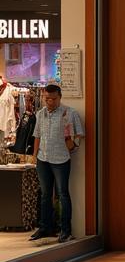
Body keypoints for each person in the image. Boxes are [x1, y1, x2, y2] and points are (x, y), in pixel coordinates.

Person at [30, 83, 85, 244]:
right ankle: (45, 227)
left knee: (63, 194)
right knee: (45, 194)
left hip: (61, 159)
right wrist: (34, 155)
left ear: (60, 97)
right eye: (47, 99)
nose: (50, 102)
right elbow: (37, 135)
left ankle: (66, 230)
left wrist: (72, 145)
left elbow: (80, 134)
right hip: (43, 158)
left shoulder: (69, 113)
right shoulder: (40, 114)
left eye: (53, 99)